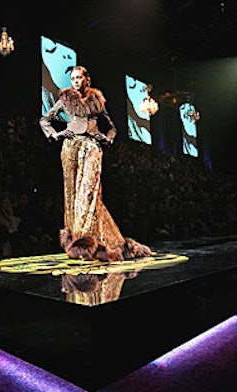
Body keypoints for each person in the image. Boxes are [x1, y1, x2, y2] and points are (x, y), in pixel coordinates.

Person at [39, 65, 151, 262]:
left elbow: (112, 127)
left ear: (86, 79)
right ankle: (83, 240)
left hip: (91, 147)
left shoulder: (96, 100)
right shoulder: (65, 99)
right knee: (72, 193)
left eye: (78, 77)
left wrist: (106, 138)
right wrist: (56, 135)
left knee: (89, 192)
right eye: (73, 78)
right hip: (70, 148)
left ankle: (85, 241)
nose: (75, 81)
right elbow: (44, 120)